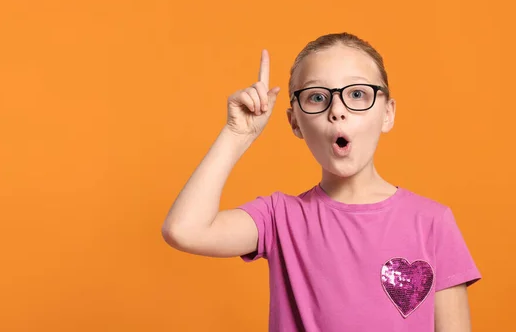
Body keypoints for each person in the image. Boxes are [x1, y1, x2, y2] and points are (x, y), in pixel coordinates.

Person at [161, 32, 481, 331]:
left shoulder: (433, 222)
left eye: (357, 94)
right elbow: (184, 230)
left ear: (387, 113)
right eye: (317, 97)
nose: (337, 110)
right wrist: (236, 134)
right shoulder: (279, 218)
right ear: (295, 122)